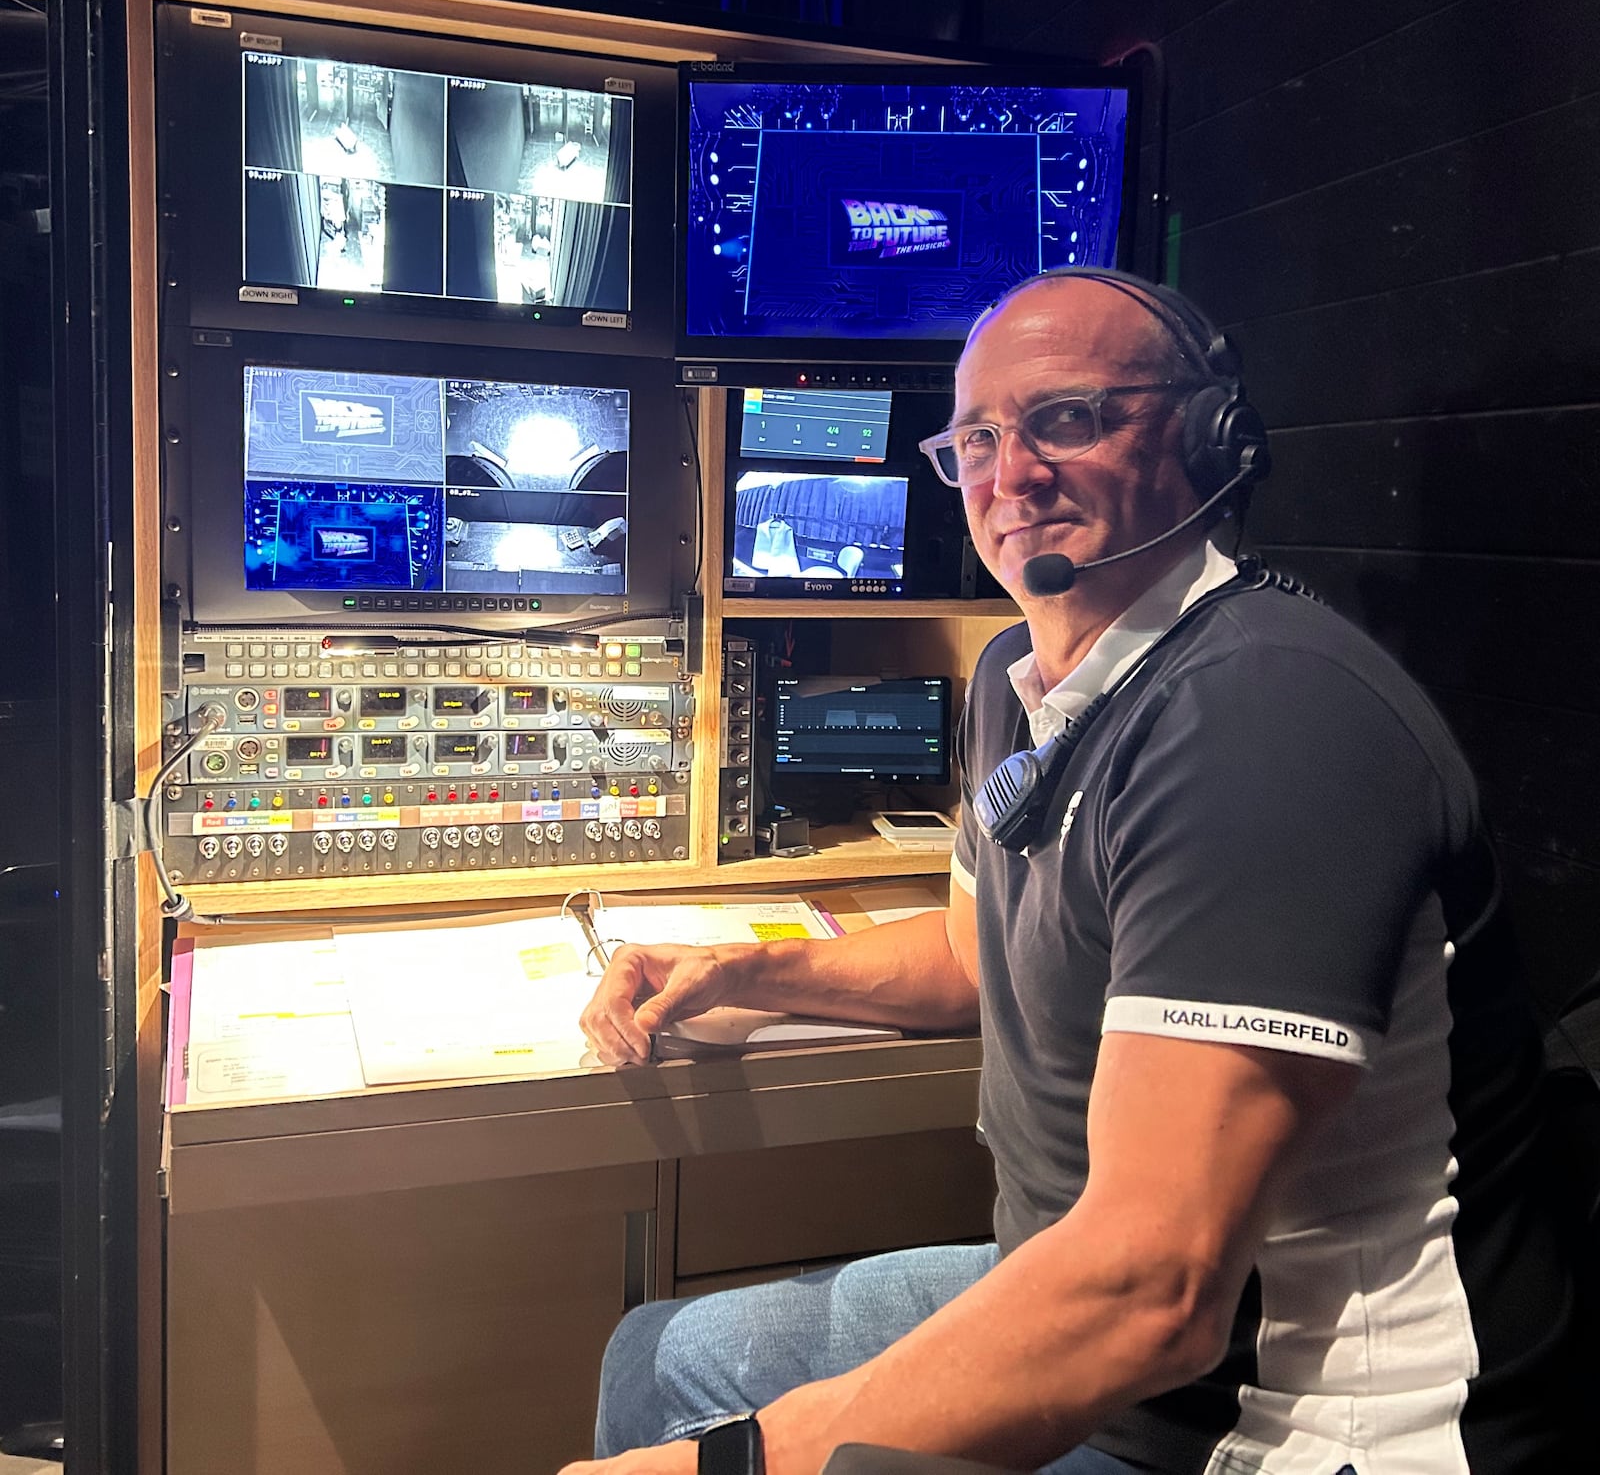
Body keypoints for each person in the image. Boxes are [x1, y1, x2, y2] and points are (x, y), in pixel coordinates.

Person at [560, 270, 1577, 1475]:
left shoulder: (1264, 718)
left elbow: (1156, 1287)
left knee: (702, 1425)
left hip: (1279, 1408)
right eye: (977, 440)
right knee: (661, 1357)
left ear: (1208, 439)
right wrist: (745, 971)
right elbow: (970, 955)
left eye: (1068, 419)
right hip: (1091, 1282)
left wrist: (734, 1463)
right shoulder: (1019, 681)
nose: (1013, 473)